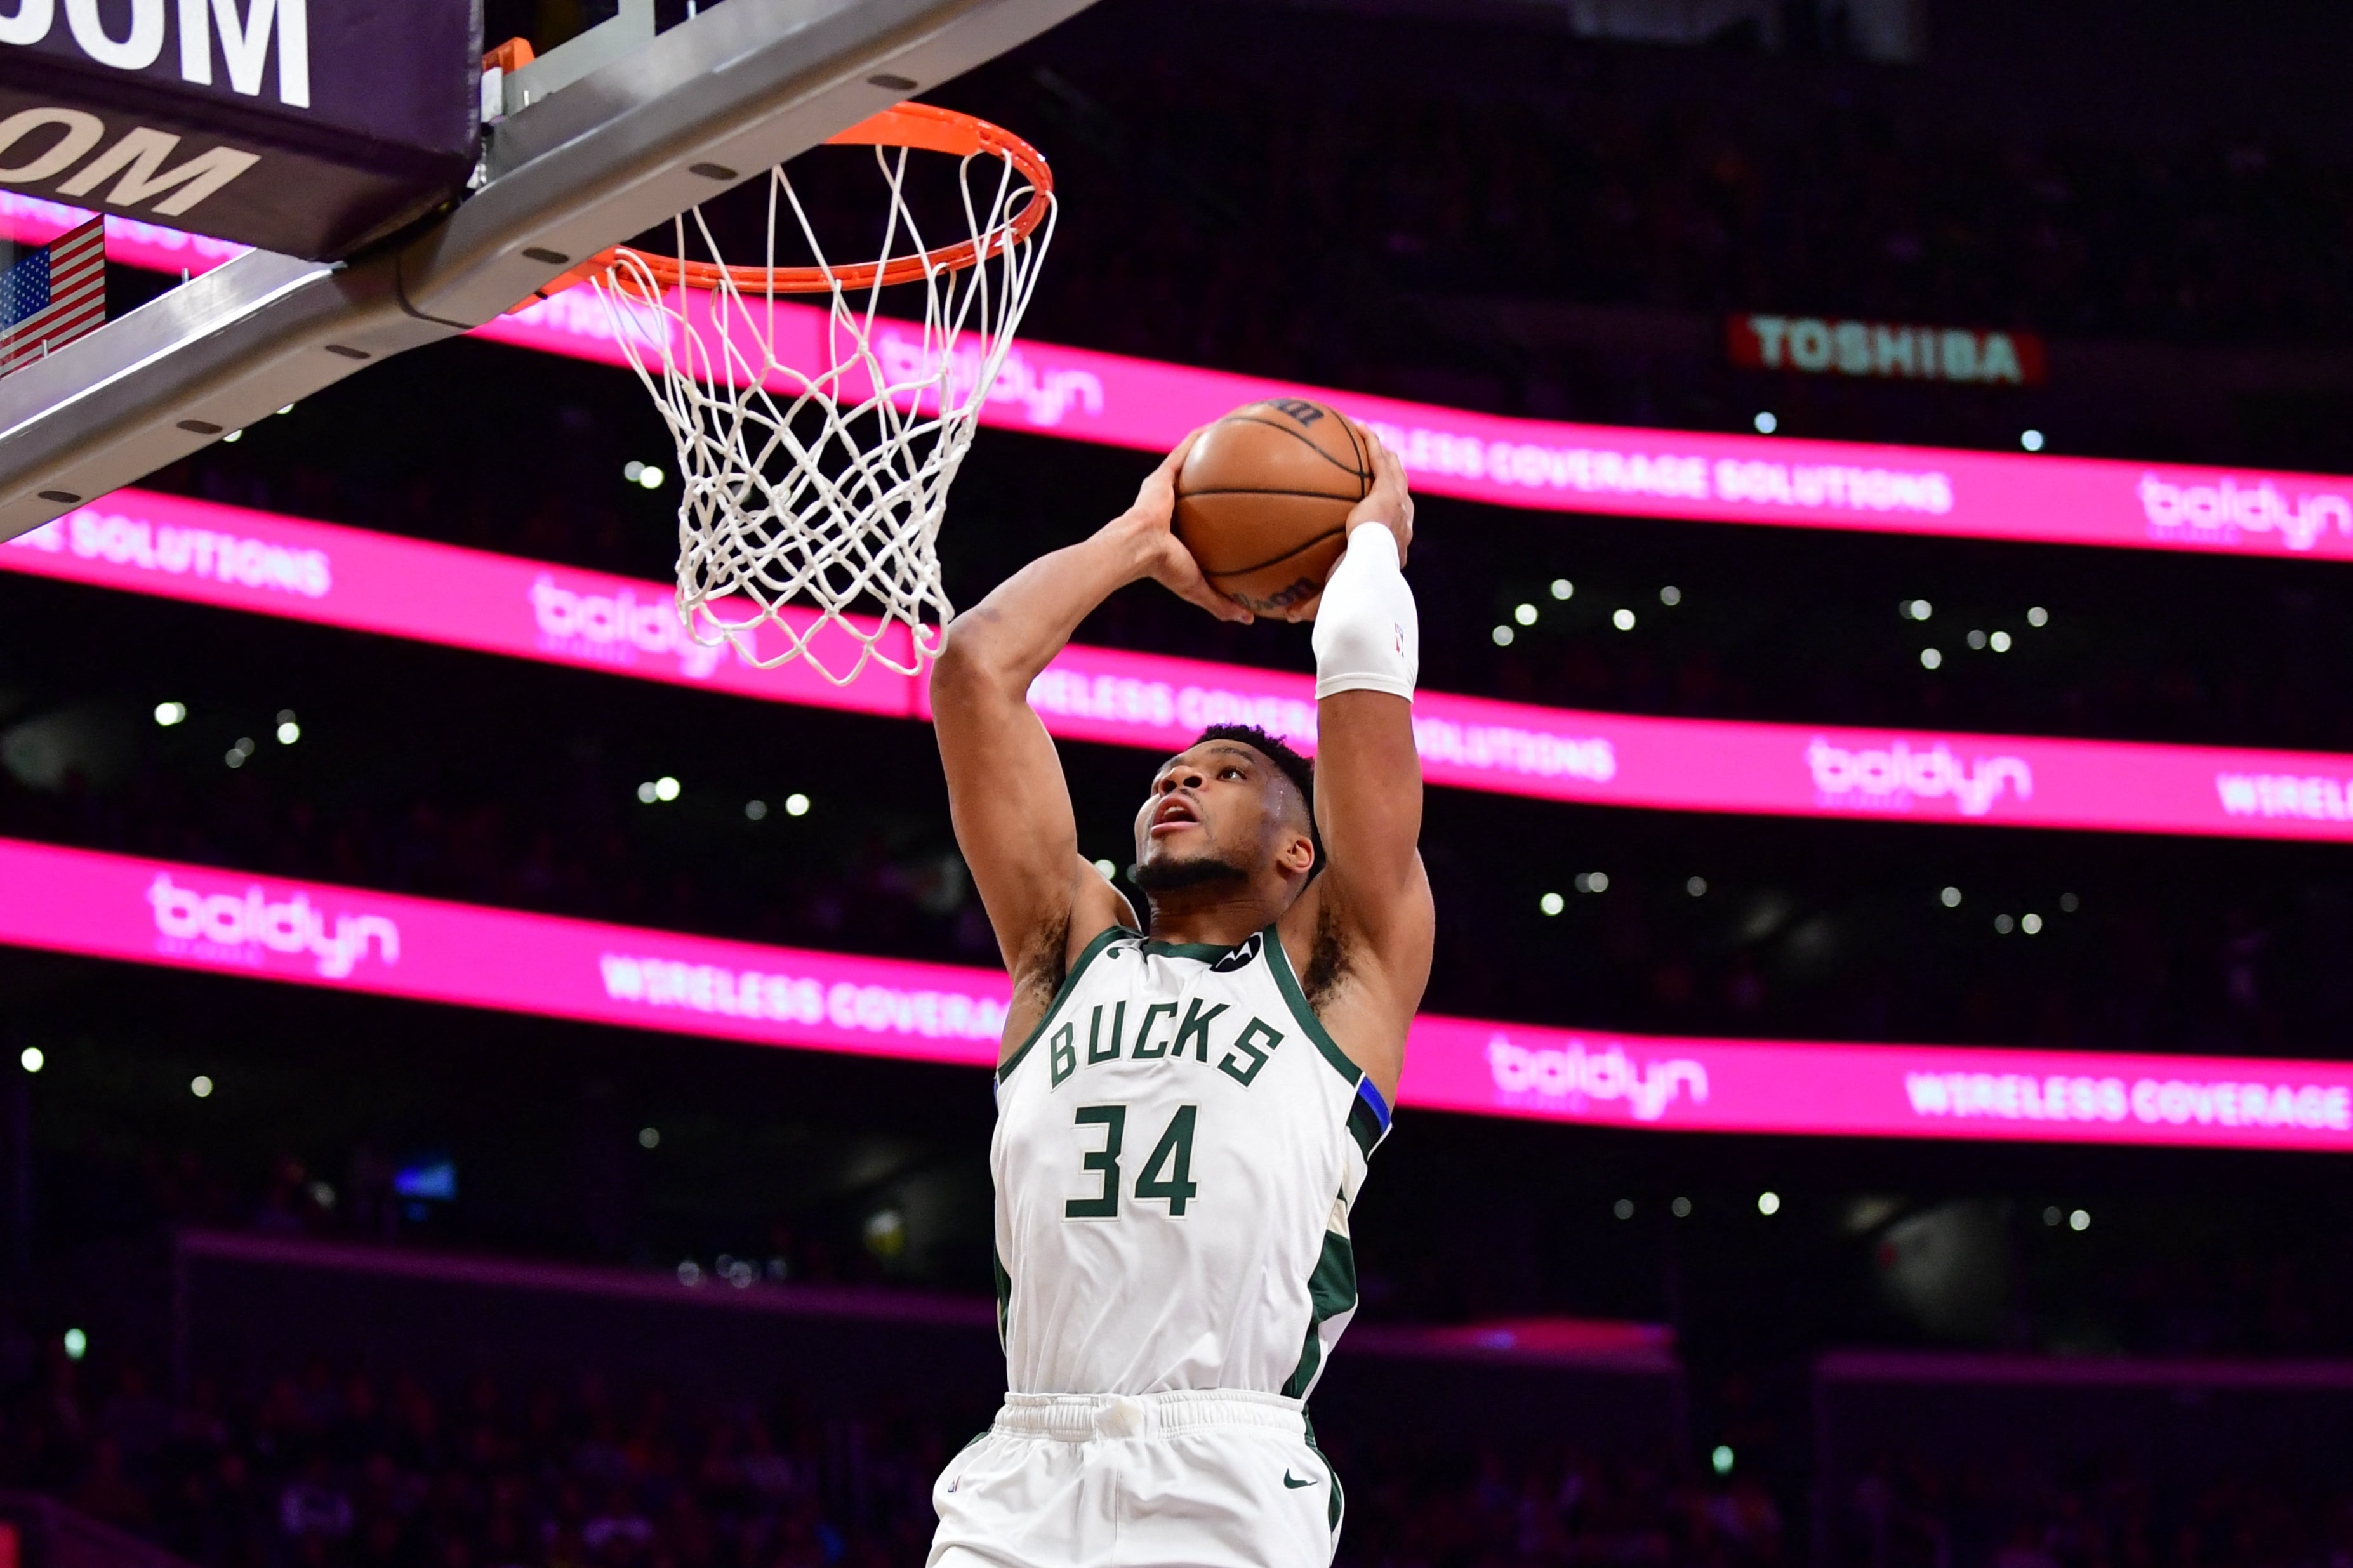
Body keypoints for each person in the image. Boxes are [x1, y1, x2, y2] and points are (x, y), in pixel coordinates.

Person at [925, 424, 1433, 1568]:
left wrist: (1369, 543)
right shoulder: (1064, 950)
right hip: (1022, 1475)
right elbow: (974, 671)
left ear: (1302, 851)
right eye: (1170, 773)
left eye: (1227, 774)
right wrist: (1135, 539)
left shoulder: (1340, 968)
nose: (1181, 779)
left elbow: (1360, 658)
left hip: (1225, 1472)